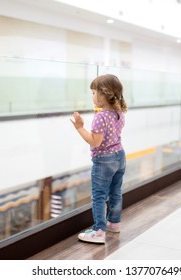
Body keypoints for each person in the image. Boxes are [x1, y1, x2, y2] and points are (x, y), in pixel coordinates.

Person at [70, 74, 127, 244]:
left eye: (94, 92)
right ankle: (114, 223)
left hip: (104, 160)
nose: (92, 96)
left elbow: (95, 142)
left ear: (104, 95)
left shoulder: (100, 117)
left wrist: (80, 128)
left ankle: (98, 231)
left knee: (99, 195)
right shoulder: (119, 112)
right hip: (119, 156)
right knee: (116, 191)